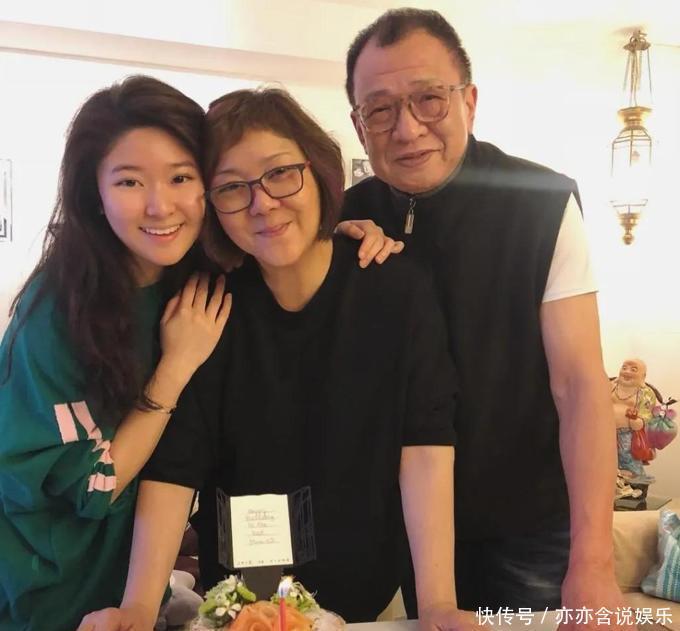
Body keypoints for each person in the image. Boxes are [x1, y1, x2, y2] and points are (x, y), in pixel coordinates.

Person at [0, 76, 392, 631]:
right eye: (129, 181)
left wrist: (330, 234)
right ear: (94, 193)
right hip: (50, 582)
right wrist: (175, 367)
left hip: (137, 579)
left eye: (181, 177)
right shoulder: (58, 314)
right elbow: (91, 486)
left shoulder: (193, 275)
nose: (160, 206)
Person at [83, 87, 468, 631]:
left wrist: (438, 604)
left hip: (369, 600)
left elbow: (426, 446)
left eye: (281, 173)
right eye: (231, 188)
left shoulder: (395, 290)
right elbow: (175, 467)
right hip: (241, 605)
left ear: (319, 170)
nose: (262, 203)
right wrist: (139, 608)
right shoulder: (207, 307)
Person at [342, 8, 630, 628]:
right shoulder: (343, 217)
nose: (407, 128)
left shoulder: (541, 202)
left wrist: (595, 560)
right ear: (359, 125)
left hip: (528, 526)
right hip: (406, 527)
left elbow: (580, 386)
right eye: (380, 110)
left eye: (429, 99)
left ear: (468, 102)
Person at [612, 358, 656, 483]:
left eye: (633, 369)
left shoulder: (645, 392)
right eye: (624, 368)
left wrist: (638, 420)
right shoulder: (612, 386)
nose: (627, 372)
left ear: (643, 376)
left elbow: (646, 413)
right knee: (607, 457)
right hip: (606, 431)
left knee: (627, 455)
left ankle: (633, 482)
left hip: (628, 433)